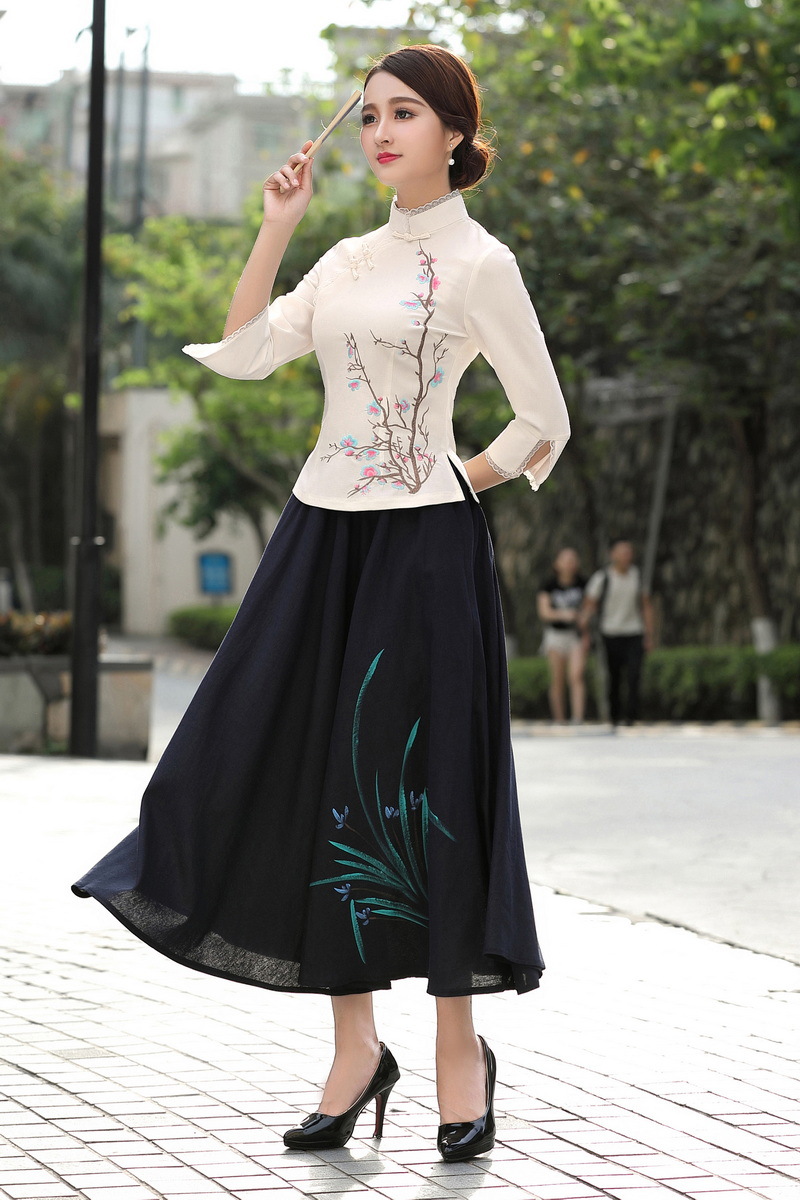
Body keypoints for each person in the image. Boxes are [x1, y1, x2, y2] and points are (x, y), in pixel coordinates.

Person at [71, 45, 570, 1162]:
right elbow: (247, 352)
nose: (381, 132)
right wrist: (277, 227)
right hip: (319, 539)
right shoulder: (343, 258)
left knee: (428, 791)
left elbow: (543, 419)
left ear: (454, 131)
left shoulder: (481, 263)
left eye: (406, 113)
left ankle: (458, 1053)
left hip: (425, 548)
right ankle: (355, 1051)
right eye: (371, 115)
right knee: (308, 771)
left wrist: (455, 481)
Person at [581, 538, 654, 726]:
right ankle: (614, 716)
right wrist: (584, 630)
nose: (625, 556)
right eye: (621, 552)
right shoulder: (602, 578)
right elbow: (589, 604)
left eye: (628, 552)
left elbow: (646, 606)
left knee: (634, 675)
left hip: (634, 631)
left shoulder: (637, 576)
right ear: (612, 554)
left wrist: (649, 634)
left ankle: (632, 716)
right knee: (614, 676)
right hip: (610, 632)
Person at [537, 548, 589, 723]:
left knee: (577, 675)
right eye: (565, 560)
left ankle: (578, 718)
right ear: (557, 564)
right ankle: (559, 719)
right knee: (557, 679)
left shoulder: (583, 584)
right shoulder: (549, 585)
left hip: (576, 635)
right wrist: (564, 614)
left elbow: (589, 607)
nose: (569, 564)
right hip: (555, 635)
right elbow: (544, 612)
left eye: (572, 560)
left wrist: (585, 621)